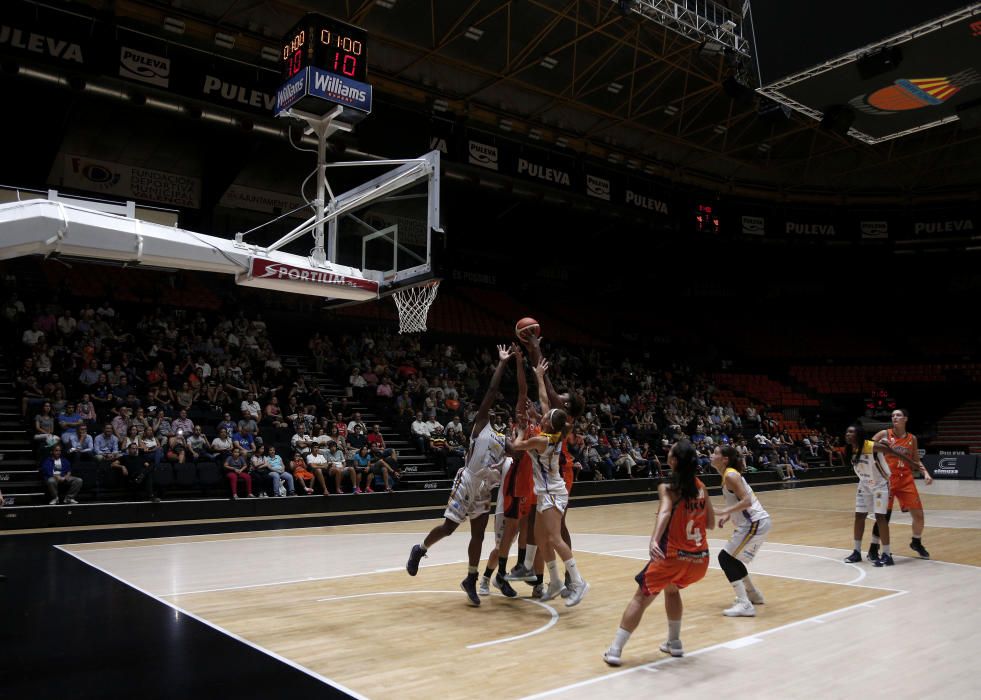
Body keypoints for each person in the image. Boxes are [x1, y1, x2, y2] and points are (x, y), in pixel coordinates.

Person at [406, 344, 516, 607]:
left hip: (484, 490)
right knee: (449, 528)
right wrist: (502, 363)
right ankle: (420, 549)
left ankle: (471, 578)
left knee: (478, 535)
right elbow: (491, 391)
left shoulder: (505, 442)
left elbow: (520, 449)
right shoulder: (481, 427)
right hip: (467, 480)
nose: (495, 412)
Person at [603, 440, 715, 666]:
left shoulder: (668, 487)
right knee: (672, 591)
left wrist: (654, 538)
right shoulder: (702, 487)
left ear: (673, 461)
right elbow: (711, 523)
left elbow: (664, 512)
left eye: (670, 451)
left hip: (673, 557)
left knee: (640, 598)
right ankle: (674, 643)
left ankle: (615, 650)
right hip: (700, 559)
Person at [510, 357, 588, 607]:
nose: (540, 416)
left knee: (554, 538)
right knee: (541, 538)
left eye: (543, 417)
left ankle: (577, 581)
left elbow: (516, 445)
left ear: (546, 423)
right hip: (547, 490)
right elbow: (545, 400)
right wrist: (540, 376)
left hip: (553, 491)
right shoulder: (552, 432)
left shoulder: (541, 440)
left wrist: (521, 429)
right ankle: (554, 580)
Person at [843, 424, 926, 566]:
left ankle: (887, 554)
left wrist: (912, 463)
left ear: (859, 434)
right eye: (847, 432)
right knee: (859, 516)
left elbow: (892, 451)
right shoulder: (850, 448)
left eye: (851, 432)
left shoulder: (870, 446)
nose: (847, 434)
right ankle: (856, 552)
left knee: (881, 517)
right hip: (864, 484)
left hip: (880, 485)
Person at [711, 444, 770, 617]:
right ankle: (753, 595)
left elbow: (746, 501)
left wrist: (723, 511)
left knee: (725, 558)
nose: (710, 455)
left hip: (755, 522)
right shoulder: (727, 474)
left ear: (725, 459)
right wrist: (728, 516)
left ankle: (745, 603)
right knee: (732, 559)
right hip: (754, 522)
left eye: (715, 453)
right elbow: (738, 499)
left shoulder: (730, 475)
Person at [868, 409, 933, 561]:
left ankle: (916, 542)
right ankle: (873, 548)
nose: (894, 417)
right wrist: (878, 445)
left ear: (905, 419)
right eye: (892, 415)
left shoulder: (912, 438)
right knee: (884, 517)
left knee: (919, 515)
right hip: (887, 480)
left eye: (898, 415)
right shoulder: (884, 434)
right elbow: (866, 447)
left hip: (906, 480)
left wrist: (925, 473)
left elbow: (916, 459)